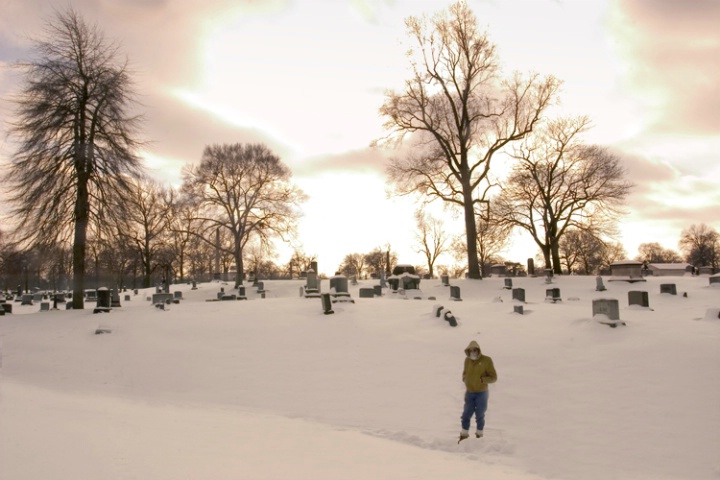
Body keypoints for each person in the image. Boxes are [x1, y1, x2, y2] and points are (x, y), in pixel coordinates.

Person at [459, 340, 497, 442]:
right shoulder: (467, 360)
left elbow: (494, 377)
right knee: (466, 414)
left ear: (478, 350)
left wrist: (482, 380)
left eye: (475, 350)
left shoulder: (487, 360)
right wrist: (465, 379)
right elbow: (465, 372)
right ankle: (464, 434)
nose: (473, 352)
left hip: (482, 393)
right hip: (469, 392)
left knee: (480, 414)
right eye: (470, 350)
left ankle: (479, 435)